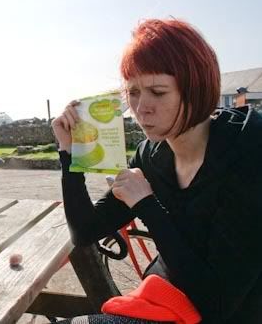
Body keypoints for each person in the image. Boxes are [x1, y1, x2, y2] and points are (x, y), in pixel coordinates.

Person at [52, 19, 262, 324]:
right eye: (133, 92)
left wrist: (146, 205)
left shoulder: (248, 155)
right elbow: (85, 232)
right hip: (164, 298)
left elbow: (216, 305)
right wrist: (69, 155)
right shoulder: (152, 155)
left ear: (195, 89)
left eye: (158, 92)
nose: (141, 107)